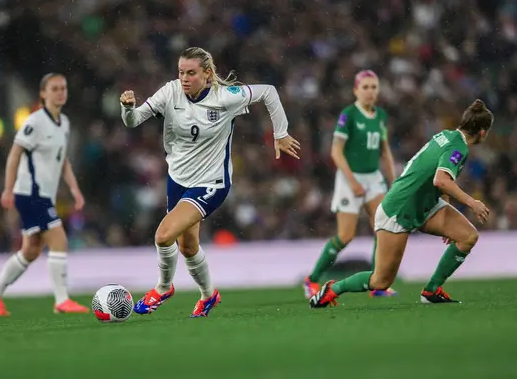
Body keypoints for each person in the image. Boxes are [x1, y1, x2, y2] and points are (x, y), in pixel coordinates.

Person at [120, 47, 300, 318]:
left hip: (211, 182)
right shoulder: (169, 92)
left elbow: (269, 92)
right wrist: (127, 107)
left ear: (207, 74)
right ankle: (208, 295)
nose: (184, 78)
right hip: (178, 178)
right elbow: (133, 121)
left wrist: (281, 132)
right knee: (188, 247)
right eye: (181, 72)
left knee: (163, 235)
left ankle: (163, 287)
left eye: (191, 73)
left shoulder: (224, 97)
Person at [310, 99, 493, 308]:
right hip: (398, 210)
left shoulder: (446, 135)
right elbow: (440, 180)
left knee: (468, 236)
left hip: (423, 205)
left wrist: (445, 208)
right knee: (381, 281)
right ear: (482, 132)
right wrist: (473, 203)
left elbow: (433, 175)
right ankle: (333, 289)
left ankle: (431, 290)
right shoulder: (459, 148)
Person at [0, 73, 89, 316]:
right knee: (58, 238)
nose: (61, 92)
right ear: (43, 93)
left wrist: (74, 190)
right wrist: (8, 188)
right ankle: (61, 300)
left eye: (63, 88)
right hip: (30, 193)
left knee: (31, 249)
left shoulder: (65, 123)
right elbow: (15, 154)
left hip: (44, 195)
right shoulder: (35, 122)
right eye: (55, 88)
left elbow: (62, 161)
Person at [304, 70, 397, 299]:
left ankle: (377, 284)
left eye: (373, 87)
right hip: (349, 177)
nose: (370, 91)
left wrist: (394, 180)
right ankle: (312, 279)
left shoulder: (381, 115)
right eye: (365, 87)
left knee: (383, 229)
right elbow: (336, 151)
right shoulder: (349, 115)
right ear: (356, 90)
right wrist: (353, 182)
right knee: (345, 236)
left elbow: (384, 150)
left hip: (373, 176)